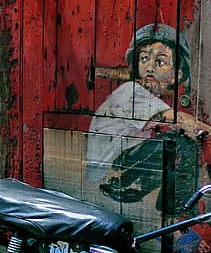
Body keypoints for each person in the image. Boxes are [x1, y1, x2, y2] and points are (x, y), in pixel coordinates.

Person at [85, 23, 204, 207]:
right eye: (143, 59)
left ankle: (162, 204)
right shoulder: (132, 92)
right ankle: (177, 214)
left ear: (176, 75)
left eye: (160, 62)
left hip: (117, 165)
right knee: (179, 143)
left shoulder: (148, 97)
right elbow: (181, 121)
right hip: (108, 171)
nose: (149, 67)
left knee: (171, 144)